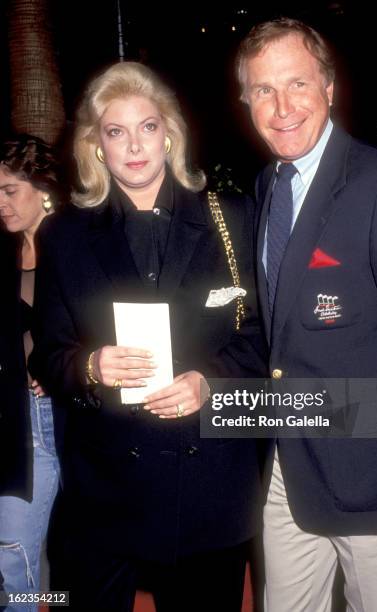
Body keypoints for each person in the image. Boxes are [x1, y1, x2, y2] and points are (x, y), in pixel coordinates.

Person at [31, 61, 264, 612]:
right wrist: (91, 367)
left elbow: (259, 340)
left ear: (170, 134)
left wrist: (211, 383)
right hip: (105, 489)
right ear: (97, 146)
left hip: (207, 485)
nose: (134, 145)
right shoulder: (64, 233)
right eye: (116, 131)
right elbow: (48, 351)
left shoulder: (231, 219)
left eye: (148, 126)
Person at [236, 17, 377, 612]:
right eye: (263, 90)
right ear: (246, 101)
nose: (281, 106)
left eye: (297, 84)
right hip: (287, 471)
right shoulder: (266, 187)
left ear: (328, 88)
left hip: (376, 486)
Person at [0, 135, 64, 611]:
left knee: (73, 559)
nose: (0, 203)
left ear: (42, 187)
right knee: (13, 556)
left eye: (9, 190)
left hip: (76, 415)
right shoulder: (3, 251)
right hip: (21, 420)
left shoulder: (78, 243)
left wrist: (58, 364)